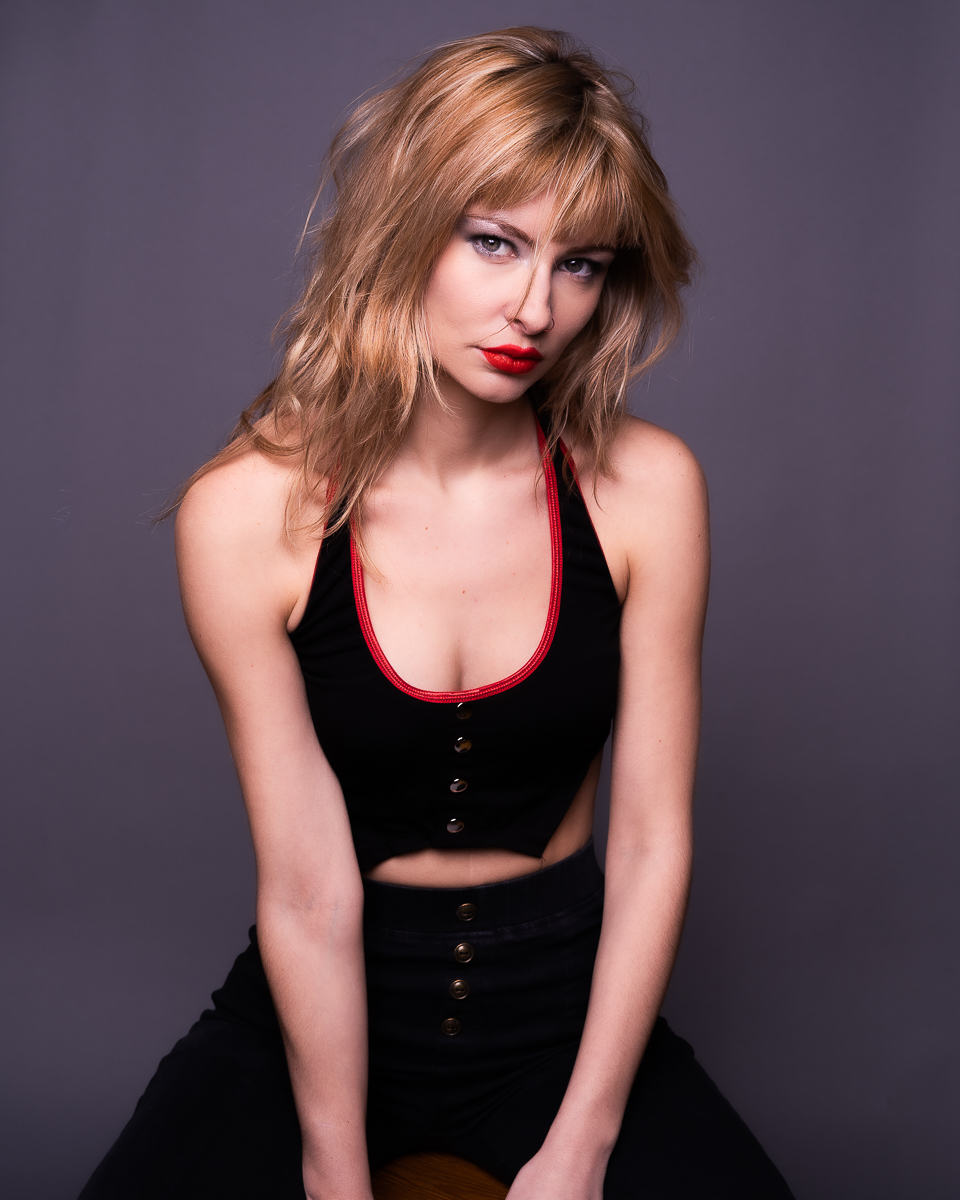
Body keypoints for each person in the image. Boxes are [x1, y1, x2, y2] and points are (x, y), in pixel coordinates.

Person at [80, 26, 794, 1200]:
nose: (535, 307)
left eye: (581, 264)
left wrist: (583, 1143)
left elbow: (651, 841)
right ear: (405, 227)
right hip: (315, 1009)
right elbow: (306, 886)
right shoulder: (246, 514)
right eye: (493, 242)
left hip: (564, 1013)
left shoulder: (649, 491)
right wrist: (334, 1171)